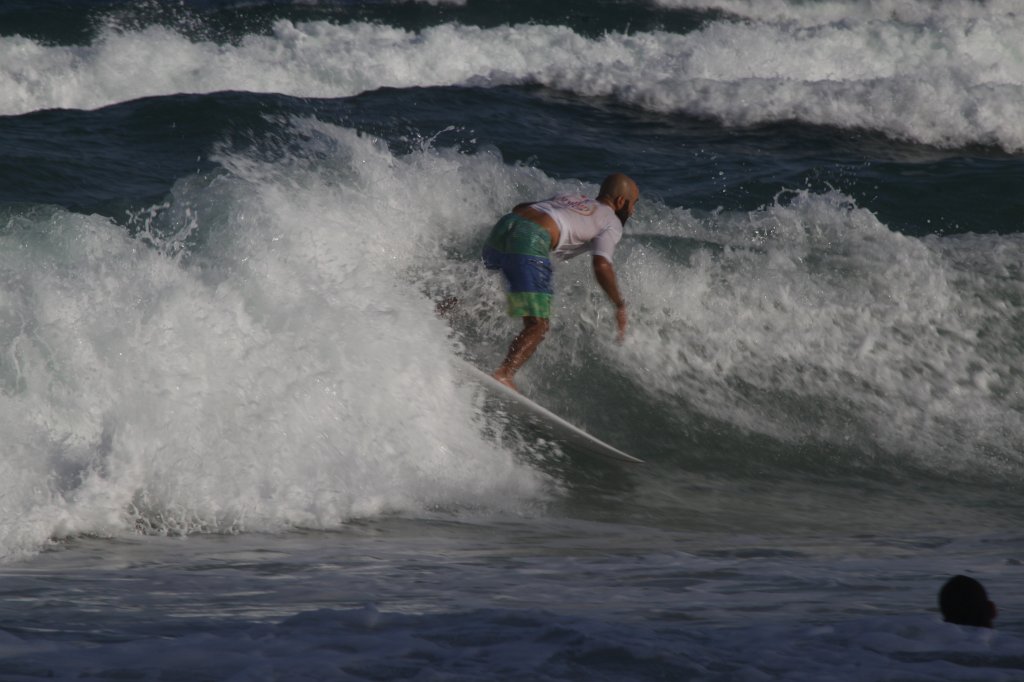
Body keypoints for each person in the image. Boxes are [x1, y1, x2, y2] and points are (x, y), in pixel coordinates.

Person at [481, 173, 639, 390]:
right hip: (531, 238)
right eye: (633, 204)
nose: (633, 211)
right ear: (621, 201)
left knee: (483, 295)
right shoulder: (611, 221)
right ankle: (504, 374)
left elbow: (520, 208)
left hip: (506, 225)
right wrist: (619, 304)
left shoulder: (572, 197)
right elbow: (601, 265)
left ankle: (440, 317)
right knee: (538, 325)